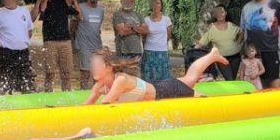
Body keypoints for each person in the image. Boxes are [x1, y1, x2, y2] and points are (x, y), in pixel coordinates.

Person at [84, 47, 227, 104]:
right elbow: (84, 107)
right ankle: (212, 55)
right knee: (189, 79)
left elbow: (105, 105)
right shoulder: (99, 86)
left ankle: (212, 56)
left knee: (204, 100)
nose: (92, 68)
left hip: (167, 90)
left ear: (109, 67)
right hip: (158, 86)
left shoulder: (120, 80)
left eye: (96, 65)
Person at [34, 0, 81, 91]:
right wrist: (41, 1)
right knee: (50, 72)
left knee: (66, 73)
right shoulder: (45, 0)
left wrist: (73, 0)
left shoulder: (64, 0)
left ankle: (66, 94)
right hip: (50, 41)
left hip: (65, 41)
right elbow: (39, 16)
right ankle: (48, 94)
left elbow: (79, 16)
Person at [239, 0, 280, 88]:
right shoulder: (246, 8)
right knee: (255, 79)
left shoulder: (275, 4)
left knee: (274, 77)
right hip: (251, 52)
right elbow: (243, 30)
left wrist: (273, 37)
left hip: (270, 49)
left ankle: (278, 98)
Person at [0, 0, 35, 93]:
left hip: (23, 53)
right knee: (5, 86)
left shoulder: (24, 11)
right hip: (7, 54)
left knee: (27, 84)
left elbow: (29, 31)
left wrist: (21, 42)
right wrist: (2, 49)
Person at [191, 5, 242, 80]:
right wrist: (192, 51)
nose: (220, 14)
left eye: (222, 12)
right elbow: (202, 42)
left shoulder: (231, 25)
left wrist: (238, 42)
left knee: (232, 80)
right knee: (230, 79)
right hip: (221, 58)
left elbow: (241, 32)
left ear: (226, 13)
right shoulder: (211, 28)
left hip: (235, 57)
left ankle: (230, 88)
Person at [72, 0, 105, 88]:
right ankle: (83, 93)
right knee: (85, 73)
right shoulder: (80, 7)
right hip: (84, 46)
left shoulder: (101, 9)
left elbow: (98, 27)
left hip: (97, 45)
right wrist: (75, 41)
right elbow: (73, 26)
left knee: (98, 73)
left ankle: (96, 93)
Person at [112, 0, 147, 74]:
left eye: (130, 1)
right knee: (123, 75)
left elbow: (145, 31)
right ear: (121, 2)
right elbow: (122, 32)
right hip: (123, 52)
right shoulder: (118, 15)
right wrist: (137, 29)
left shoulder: (139, 15)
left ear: (133, 2)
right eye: (125, 0)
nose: (128, 2)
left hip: (137, 51)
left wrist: (131, 27)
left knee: (136, 76)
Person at [141, 0, 173, 83]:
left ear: (161, 5)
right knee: (149, 78)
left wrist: (161, 44)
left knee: (163, 78)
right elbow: (144, 37)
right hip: (149, 52)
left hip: (162, 52)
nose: (156, 5)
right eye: (153, 3)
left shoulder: (166, 19)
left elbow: (168, 36)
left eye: (158, 3)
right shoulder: (146, 20)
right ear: (150, 5)